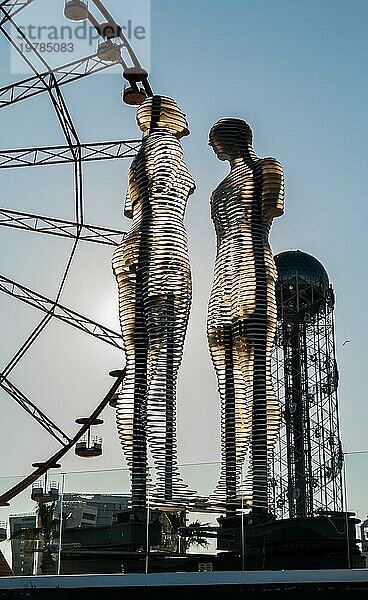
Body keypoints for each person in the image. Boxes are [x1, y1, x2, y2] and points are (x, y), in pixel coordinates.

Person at [112, 96, 195, 509]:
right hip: (163, 254)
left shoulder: (138, 159)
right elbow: (176, 194)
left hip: (133, 252)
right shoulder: (166, 151)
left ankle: (144, 481)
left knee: (140, 369)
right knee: (161, 372)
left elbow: (130, 207)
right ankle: (163, 476)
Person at [207, 118, 284, 512]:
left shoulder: (267, 168)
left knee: (256, 375)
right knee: (228, 382)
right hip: (224, 275)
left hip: (254, 270)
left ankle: (257, 487)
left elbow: (267, 217)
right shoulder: (220, 187)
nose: (213, 149)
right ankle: (230, 481)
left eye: (215, 142)